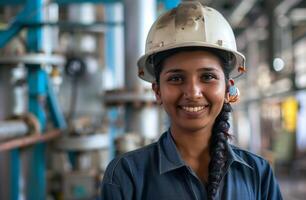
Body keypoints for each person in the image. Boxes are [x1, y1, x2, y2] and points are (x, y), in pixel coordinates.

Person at [100, 1, 283, 199]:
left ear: (227, 87)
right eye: (176, 78)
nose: (193, 92)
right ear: (157, 91)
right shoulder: (127, 175)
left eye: (207, 77)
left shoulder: (257, 173)